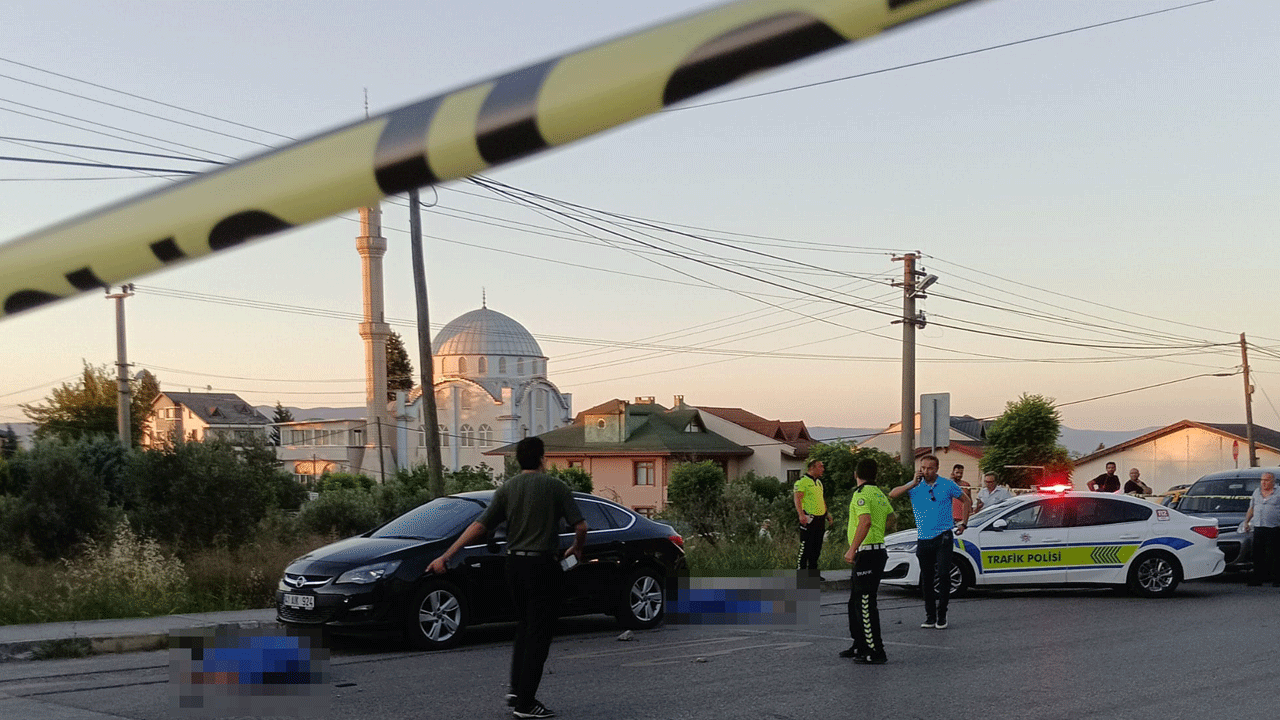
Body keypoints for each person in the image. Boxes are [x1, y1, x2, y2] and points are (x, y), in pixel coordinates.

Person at [428, 437, 586, 719]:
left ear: (517, 461)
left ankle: (516, 689)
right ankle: (526, 704)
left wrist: (446, 555)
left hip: (513, 565)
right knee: (539, 633)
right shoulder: (556, 487)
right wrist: (577, 548)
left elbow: (479, 525)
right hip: (542, 566)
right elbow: (581, 525)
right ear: (542, 458)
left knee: (524, 627)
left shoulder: (507, 489)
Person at [889, 454, 969, 629]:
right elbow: (893, 494)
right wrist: (912, 482)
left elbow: (966, 501)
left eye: (930, 468)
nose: (926, 471)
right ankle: (930, 616)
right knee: (926, 578)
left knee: (943, 574)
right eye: (923, 468)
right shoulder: (915, 487)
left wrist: (964, 523)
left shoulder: (947, 485)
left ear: (937, 469)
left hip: (943, 536)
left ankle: (942, 614)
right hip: (924, 538)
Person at [840, 459, 894, 664]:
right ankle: (859, 644)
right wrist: (880, 531)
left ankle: (875, 650)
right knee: (854, 601)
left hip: (868, 553)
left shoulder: (861, 495)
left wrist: (852, 549)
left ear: (856, 474)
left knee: (864, 603)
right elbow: (891, 518)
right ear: (875, 475)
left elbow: (865, 521)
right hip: (876, 551)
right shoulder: (879, 493)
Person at [793, 459, 832, 578]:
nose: (823, 469)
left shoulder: (819, 482)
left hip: (820, 519)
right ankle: (801, 571)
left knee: (817, 546)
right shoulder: (802, 482)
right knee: (806, 545)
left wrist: (827, 514)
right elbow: (797, 499)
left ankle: (813, 572)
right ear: (812, 468)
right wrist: (801, 514)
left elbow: (821, 499)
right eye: (820, 467)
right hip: (809, 517)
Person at [1243, 472, 1280, 587]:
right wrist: (1246, 522)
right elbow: (1252, 508)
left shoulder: (1278, 492)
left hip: (1274, 527)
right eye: (1262, 480)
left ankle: (1277, 579)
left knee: (1274, 554)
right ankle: (1258, 578)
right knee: (1258, 553)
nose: (1263, 482)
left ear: (1273, 481)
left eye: (1267, 480)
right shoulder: (1256, 492)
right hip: (1259, 527)